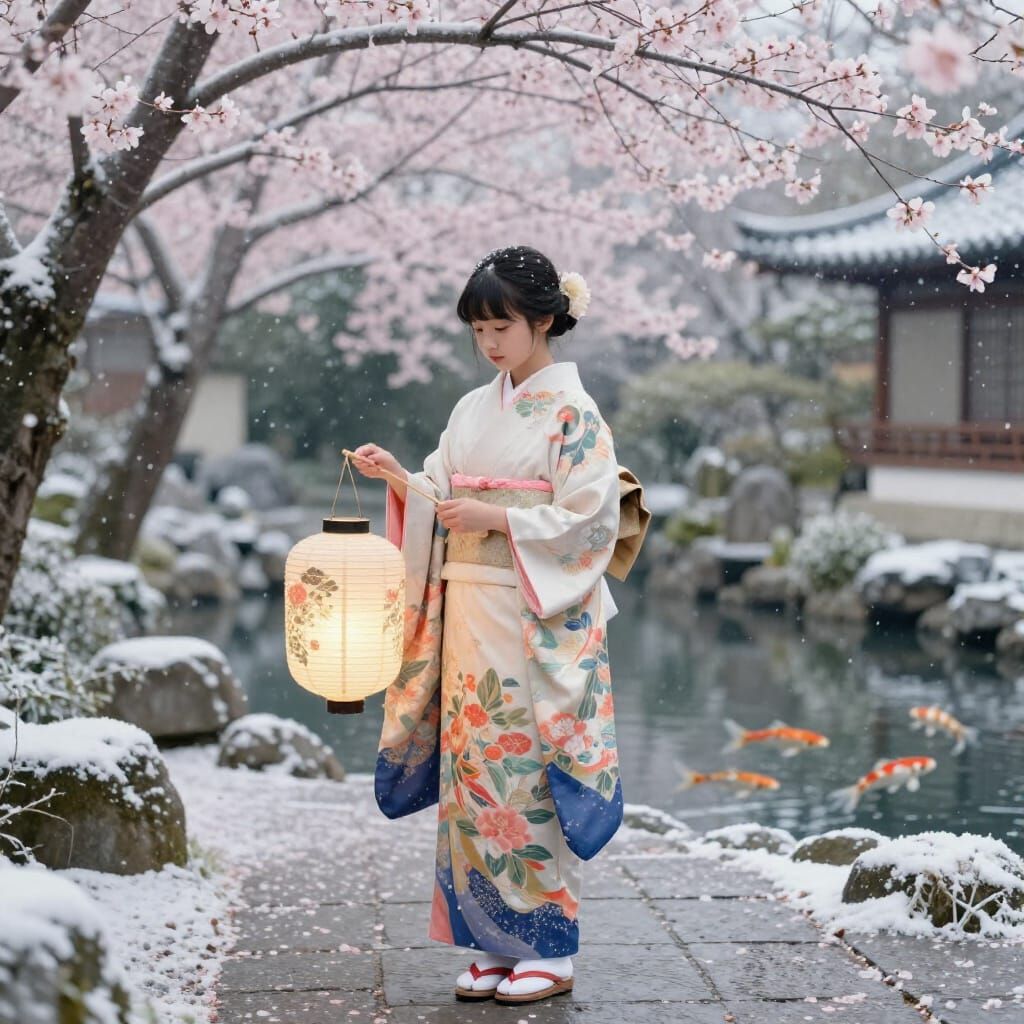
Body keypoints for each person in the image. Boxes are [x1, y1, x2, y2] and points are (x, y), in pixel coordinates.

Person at [351, 244, 623, 1006]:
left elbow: (591, 516)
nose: (491, 343)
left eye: (503, 325)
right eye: (479, 331)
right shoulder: (474, 408)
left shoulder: (575, 412)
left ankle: (549, 946)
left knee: (527, 771)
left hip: (534, 616)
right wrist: (399, 478)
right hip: (470, 612)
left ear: (544, 320)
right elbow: (441, 491)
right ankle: (491, 941)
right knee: (474, 771)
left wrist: (495, 519)